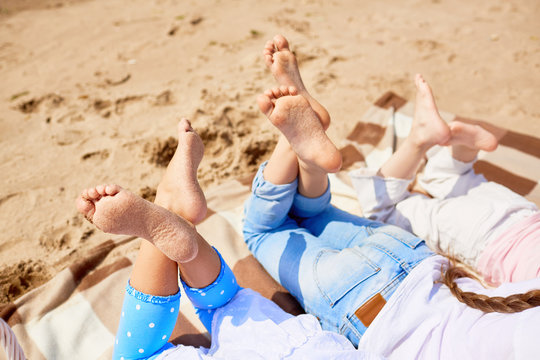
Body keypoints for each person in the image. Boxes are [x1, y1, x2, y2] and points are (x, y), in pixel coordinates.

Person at [242, 35, 540, 358]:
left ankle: (305, 150)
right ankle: (295, 149)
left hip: (418, 261)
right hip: (367, 305)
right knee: (262, 231)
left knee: (315, 214)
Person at [76, 119, 380, 359]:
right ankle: (168, 214)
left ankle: (173, 214)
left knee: (228, 302)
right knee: (143, 353)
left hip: (313, 350)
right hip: (300, 350)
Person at [348, 74, 540, 286]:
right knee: (382, 212)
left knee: (453, 182)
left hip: (523, 214)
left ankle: (463, 149)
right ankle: (418, 141)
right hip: (492, 239)